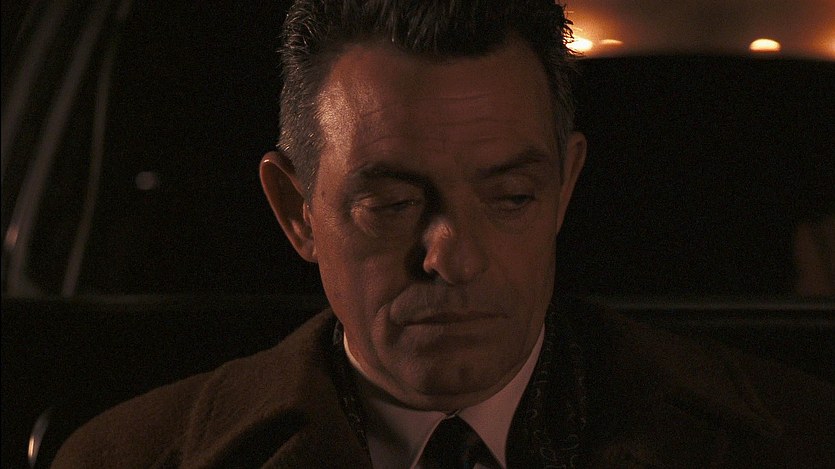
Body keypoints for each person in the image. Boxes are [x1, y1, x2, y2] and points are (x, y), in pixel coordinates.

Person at [52, 0, 833, 467]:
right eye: (391, 203)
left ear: (564, 188)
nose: (452, 256)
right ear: (295, 210)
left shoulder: (793, 442)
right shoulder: (134, 457)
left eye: (511, 197)